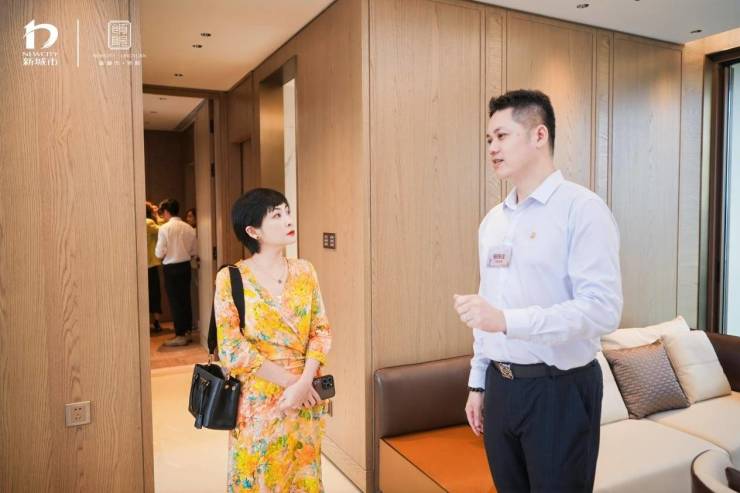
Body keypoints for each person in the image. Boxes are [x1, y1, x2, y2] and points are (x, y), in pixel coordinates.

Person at [453, 89, 623, 493]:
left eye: (502, 136)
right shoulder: (493, 221)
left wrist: (507, 321)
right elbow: (487, 307)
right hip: (500, 386)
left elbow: (602, 309)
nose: (492, 148)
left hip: (559, 390)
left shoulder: (582, 209)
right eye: (489, 139)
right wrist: (478, 382)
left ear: (539, 135)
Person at [215, 188, 331, 492]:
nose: (288, 220)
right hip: (258, 402)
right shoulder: (231, 278)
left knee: (303, 476)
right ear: (253, 231)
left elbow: (320, 330)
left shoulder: (305, 271)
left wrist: (304, 382)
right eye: (277, 215)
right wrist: (294, 384)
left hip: (305, 400)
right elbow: (232, 349)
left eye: (287, 212)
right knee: (260, 479)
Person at [155, 198, 197, 347]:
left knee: (175, 301)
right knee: (185, 299)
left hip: (171, 268)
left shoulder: (164, 228)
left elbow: (159, 253)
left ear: (166, 212)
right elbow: (194, 250)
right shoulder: (189, 228)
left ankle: (180, 334)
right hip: (185, 266)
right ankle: (187, 332)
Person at [145, 202, 162, 333]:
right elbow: (164, 229)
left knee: (145, 294)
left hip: (142, 264)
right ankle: (156, 322)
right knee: (154, 293)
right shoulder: (148, 222)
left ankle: (147, 322)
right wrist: (157, 215)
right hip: (149, 264)